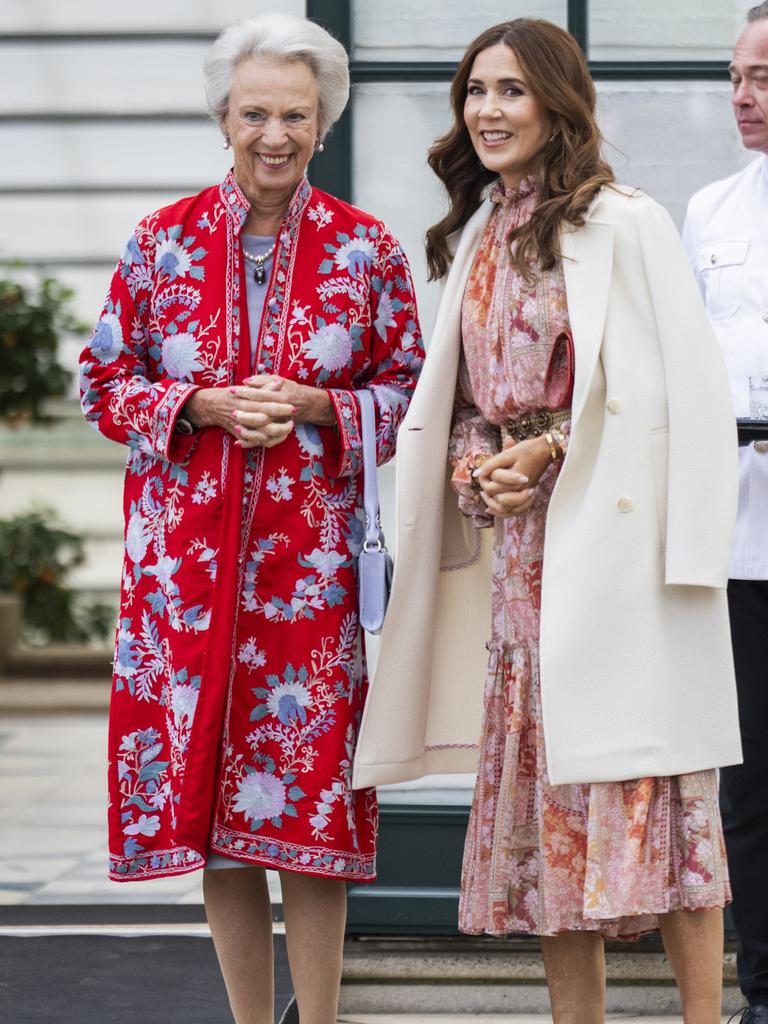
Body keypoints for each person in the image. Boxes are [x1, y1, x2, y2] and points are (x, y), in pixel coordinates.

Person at [353, 18, 741, 1024]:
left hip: (620, 556)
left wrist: (552, 448)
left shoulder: (629, 221)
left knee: (656, 802)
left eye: (511, 91)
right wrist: (477, 467)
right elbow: (467, 402)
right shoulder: (481, 232)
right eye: (474, 91)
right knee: (550, 813)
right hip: (524, 564)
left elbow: (678, 398)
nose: (486, 110)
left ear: (558, 103)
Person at [79, 14, 422, 1024]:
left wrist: (320, 405)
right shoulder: (159, 242)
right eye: (256, 111)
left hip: (307, 582)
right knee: (216, 823)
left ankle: (316, 1019)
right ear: (223, 118)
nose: (276, 133)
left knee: (309, 807)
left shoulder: (367, 250)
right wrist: (200, 406)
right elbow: (102, 380)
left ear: (324, 123)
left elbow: (411, 387)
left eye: (297, 115)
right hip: (180, 583)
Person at [682, 5, 768, 1021]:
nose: (744, 96)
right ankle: (765, 986)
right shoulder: (708, 209)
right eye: (737, 76)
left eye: (765, 76)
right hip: (742, 531)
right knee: (749, 784)